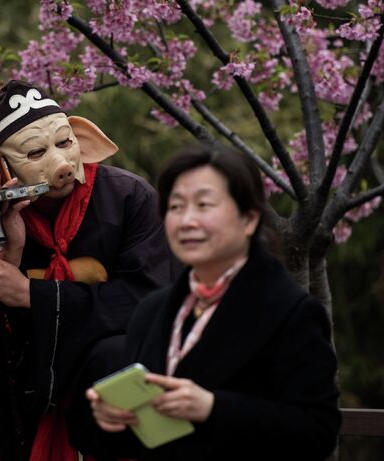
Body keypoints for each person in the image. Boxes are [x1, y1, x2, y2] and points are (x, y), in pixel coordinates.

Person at [0, 80, 180, 460]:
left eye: (65, 143)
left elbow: (150, 296)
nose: (61, 163)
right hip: (28, 366)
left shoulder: (130, 198)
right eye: (36, 151)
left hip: (104, 357)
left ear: (83, 138)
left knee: (117, 356)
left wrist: (32, 295)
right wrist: (11, 252)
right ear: (0, 168)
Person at [68, 143, 341, 461]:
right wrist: (109, 421)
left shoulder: (291, 312)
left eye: (204, 205)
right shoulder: (153, 311)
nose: (187, 221)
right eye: (176, 206)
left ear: (249, 219)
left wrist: (213, 408)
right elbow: (143, 441)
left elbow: (318, 431)